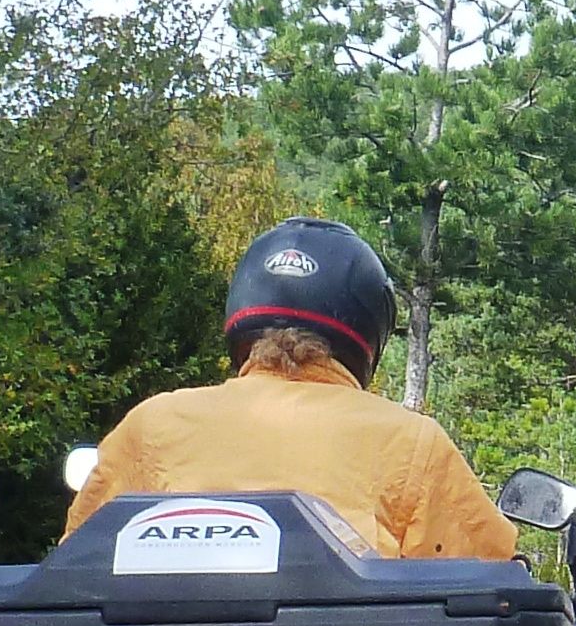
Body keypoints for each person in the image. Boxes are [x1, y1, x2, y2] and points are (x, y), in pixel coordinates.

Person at [62, 217, 515, 559]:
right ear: (366, 325)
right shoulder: (409, 442)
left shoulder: (152, 425)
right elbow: (491, 578)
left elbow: (75, 566)